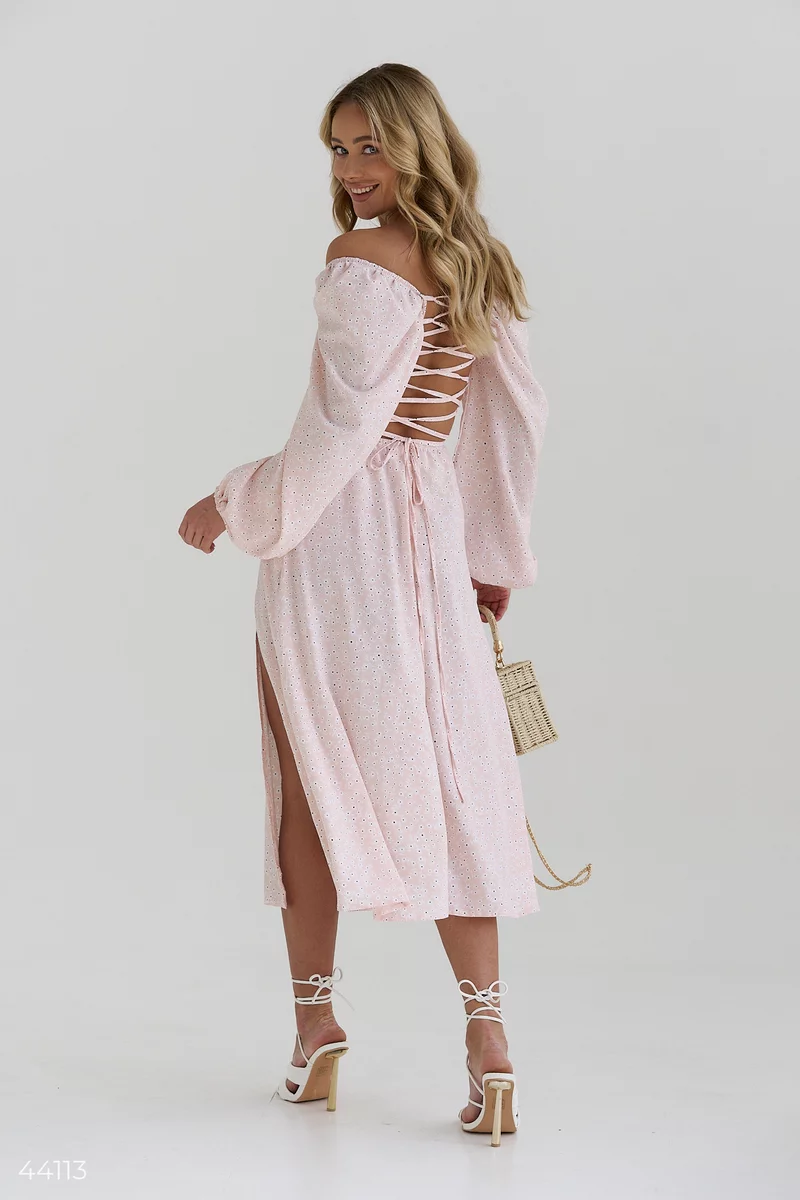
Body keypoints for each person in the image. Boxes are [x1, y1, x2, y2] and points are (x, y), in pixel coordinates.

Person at [178, 63, 549, 1145]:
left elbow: (340, 432)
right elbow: (515, 420)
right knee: (454, 775)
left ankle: (316, 1030)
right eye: (338, 149)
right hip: (430, 535)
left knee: (307, 783)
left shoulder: (360, 262)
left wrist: (234, 501)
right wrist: (491, 552)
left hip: (339, 539)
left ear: (416, 146)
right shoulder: (479, 260)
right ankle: (489, 1044)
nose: (350, 170)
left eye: (369, 146)